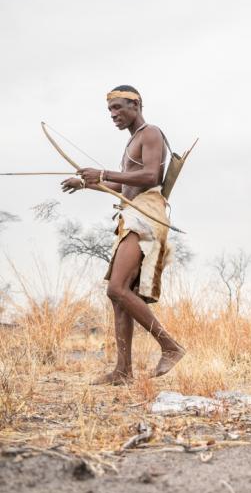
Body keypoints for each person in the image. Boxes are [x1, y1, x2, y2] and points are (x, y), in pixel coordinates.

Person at [61, 85, 185, 385]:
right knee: (118, 295)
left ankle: (170, 346)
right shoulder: (132, 142)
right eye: (110, 110)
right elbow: (123, 187)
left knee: (117, 288)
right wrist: (86, 183)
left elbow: (150, 176)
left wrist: (102, 174)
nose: (113, 115)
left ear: (136, 104)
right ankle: (123, 371)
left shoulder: (150, 133)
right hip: (132, 213)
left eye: (119, 108)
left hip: (146, 214)